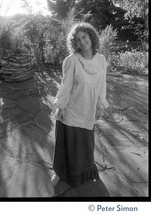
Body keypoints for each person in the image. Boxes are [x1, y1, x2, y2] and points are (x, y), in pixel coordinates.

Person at [51, 22, 110, 188]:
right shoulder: (72, 61)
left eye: (84, 36)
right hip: (71, 109)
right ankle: (61, 173)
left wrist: (100, 105)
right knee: (66, 145)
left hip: (88, 110)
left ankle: (83, 173)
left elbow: (102, 84)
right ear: (74, 43)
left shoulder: (101, 60)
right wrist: (60, 106)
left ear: (91, 36)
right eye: (77, 40)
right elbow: (66, 85)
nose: (82, 41)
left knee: (85, 146)